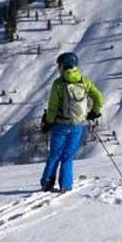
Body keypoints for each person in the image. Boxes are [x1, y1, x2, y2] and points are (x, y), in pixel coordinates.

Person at [39, 52, 104, 192]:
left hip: (60, 125)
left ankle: (47, 183)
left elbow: (53, 107)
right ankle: (66, 185)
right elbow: (99, 98)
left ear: (64, 66)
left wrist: (48, 123)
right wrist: (94, 112)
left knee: (54, 155)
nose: (58, 68)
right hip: (77, 125)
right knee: (67, 157)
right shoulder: (84, 81)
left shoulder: (59, 83)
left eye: (59, 65)